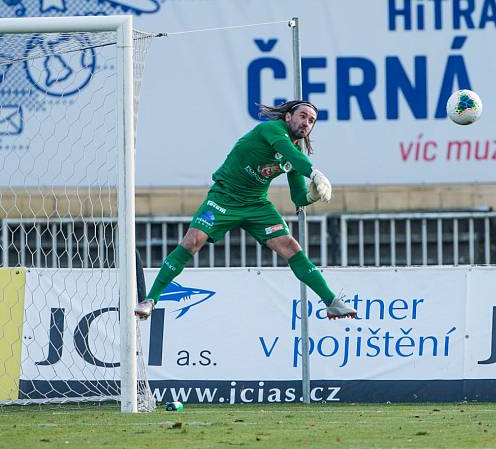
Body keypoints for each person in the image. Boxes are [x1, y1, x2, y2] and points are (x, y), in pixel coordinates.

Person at [134, 100, 356, 321]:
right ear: (288, 116)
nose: (306, 122)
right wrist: (314, 172)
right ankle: (150, 300)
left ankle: (331, 302)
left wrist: (311, 195)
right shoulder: (271, 129)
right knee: (192, 240)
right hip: (225, 197)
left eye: (311, 120)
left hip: (256, 204)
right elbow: (290, 152)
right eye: (303, 116)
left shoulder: (295, 153)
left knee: (291, 246)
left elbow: (297, 196)